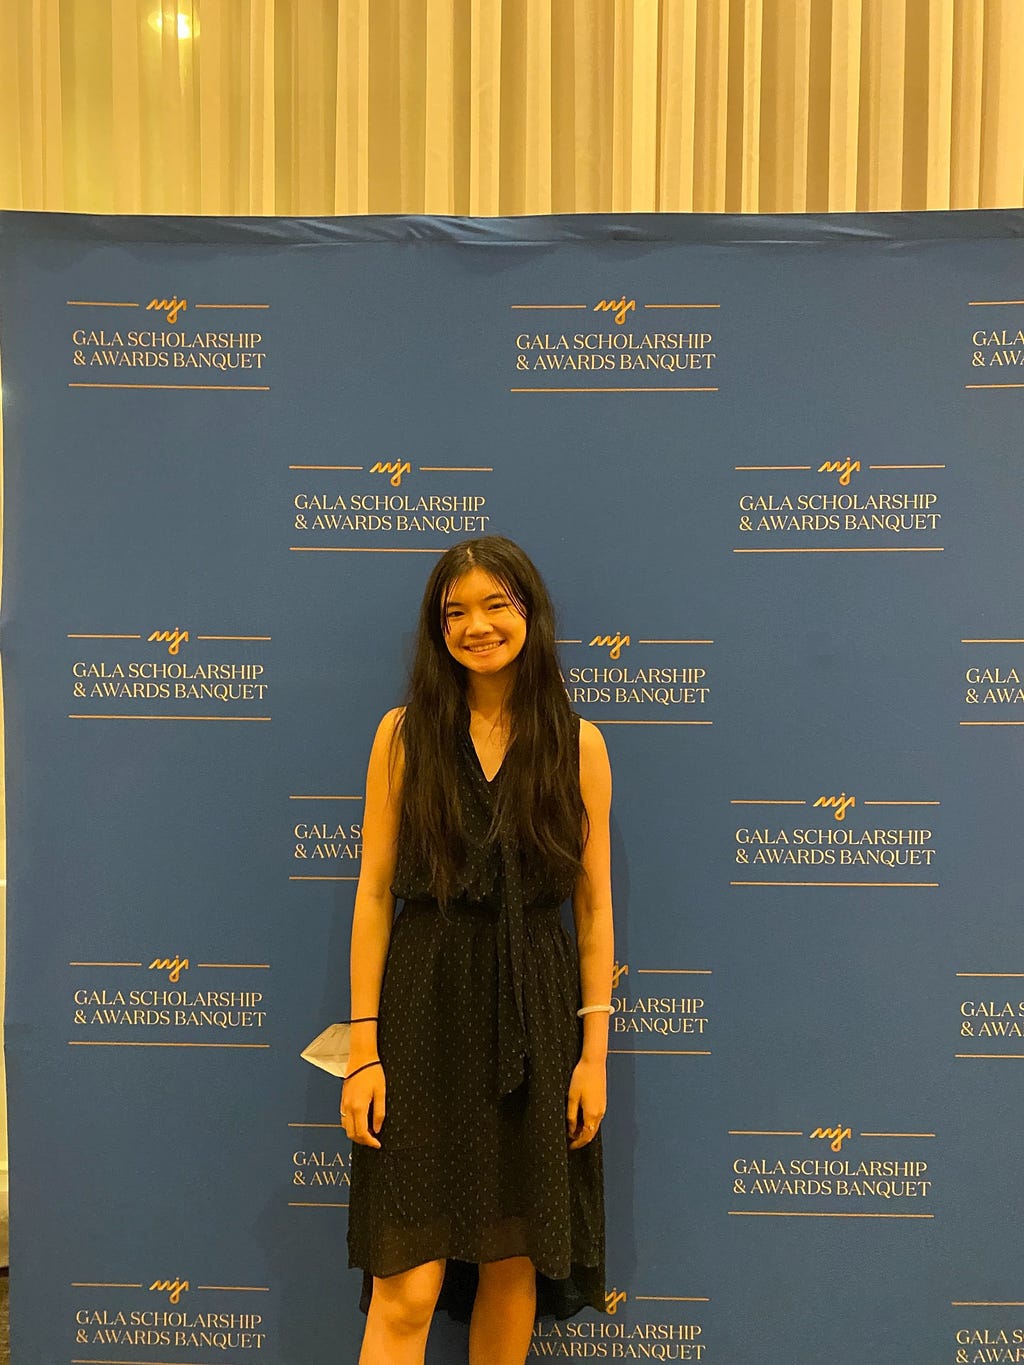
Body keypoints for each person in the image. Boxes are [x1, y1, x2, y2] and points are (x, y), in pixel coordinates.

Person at [342, 535, 614, 1365]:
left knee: (512, 1266)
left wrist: (592, 1056)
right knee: (407, 1285)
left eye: (496, 604)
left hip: (534, 1017)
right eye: (455, 611)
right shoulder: (402, 736)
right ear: (437, 629)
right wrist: (363, 1049)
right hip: (421, 1016)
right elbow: (375, 894)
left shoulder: (580, 745)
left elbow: (594, 913)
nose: (477, 625)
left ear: (529, 613)